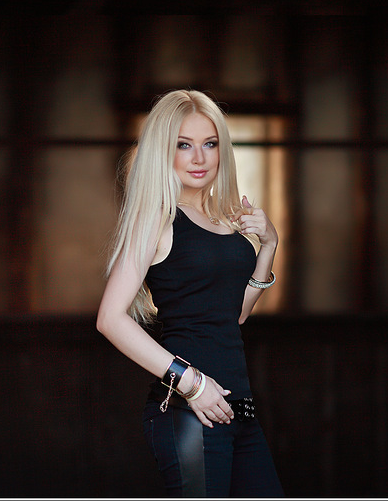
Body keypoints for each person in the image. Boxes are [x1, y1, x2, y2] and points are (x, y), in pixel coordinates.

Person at [96, 89, 284, 497]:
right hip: (189, 411)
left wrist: (268, 245)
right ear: (163, 151)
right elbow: (109, 319)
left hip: (238, 410)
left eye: (209, 144)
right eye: (184, 145)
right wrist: (191, 383)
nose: (199, 157)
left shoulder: (223, 220)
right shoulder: (157, 219)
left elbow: (234, 315)